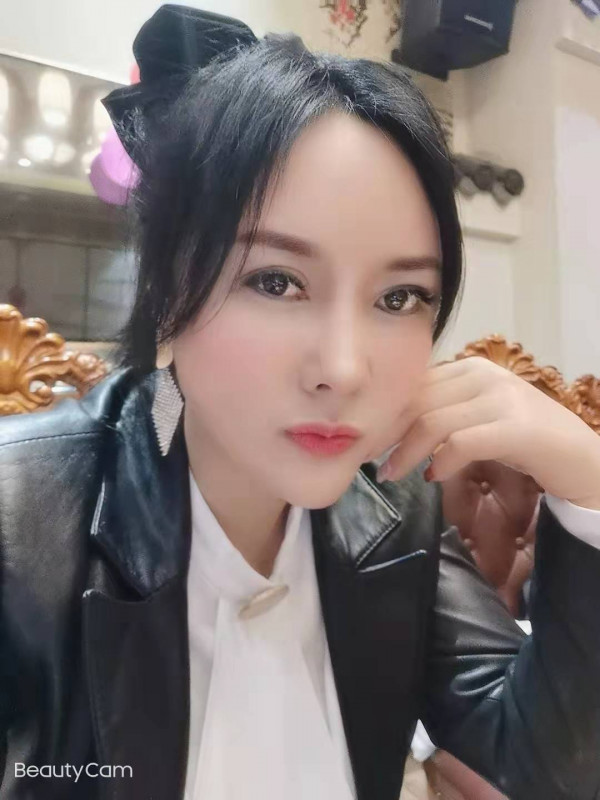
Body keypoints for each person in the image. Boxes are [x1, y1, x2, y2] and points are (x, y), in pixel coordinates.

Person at [1, 6, 600, 800]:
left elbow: (537, 761)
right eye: (277, 281)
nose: (343, 370)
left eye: (400, 296)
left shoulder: (392, 503)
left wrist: (590, 487)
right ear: (166, 289)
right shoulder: (21, 524)